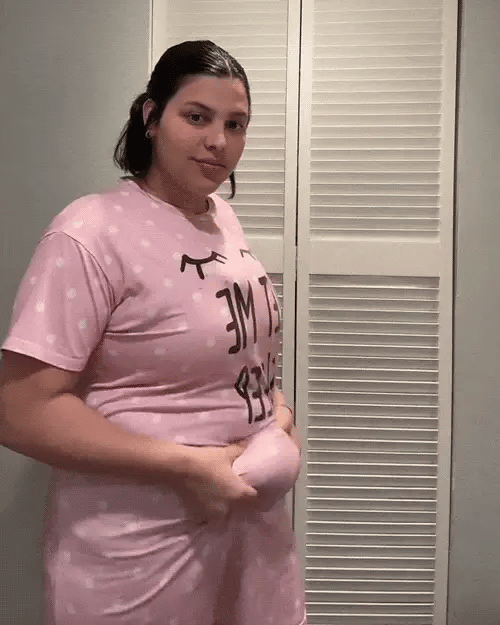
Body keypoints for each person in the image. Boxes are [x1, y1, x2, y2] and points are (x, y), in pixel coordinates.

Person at [0, 40, 306, 625]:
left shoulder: (221, 219)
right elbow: (20, 410)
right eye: (197, 117)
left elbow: (238, 355)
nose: (219, 141)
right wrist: (187, 466)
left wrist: (277, 417)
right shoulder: (89, 233)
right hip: (139, 555)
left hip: (248, 542)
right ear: (151, 116)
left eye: (235, 124)